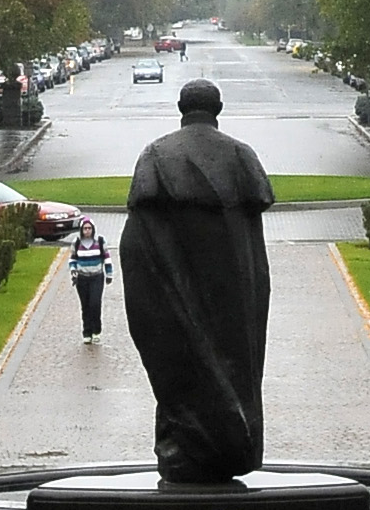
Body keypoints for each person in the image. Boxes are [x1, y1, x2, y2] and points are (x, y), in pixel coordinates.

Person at [119, 76, 274, 483]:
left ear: (181, 108)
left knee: (183, 366)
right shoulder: (241, 155)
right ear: (217, 108)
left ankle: (189, 446)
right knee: (236, 368)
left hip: (177, 283)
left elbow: (138, 238)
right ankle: (231, 441)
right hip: (235, 290)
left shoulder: (156, 155)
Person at [69, 215, 112, 342]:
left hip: (97, 277)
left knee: (95, 303)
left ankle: (96, 330)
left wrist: (109, 274)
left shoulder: (100, 241)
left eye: (89, 228)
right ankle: (86, 332)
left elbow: (107, 258)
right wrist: (73, 272)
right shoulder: (76, 243)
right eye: (85, 228)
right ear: (81, 230)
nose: (87, 231)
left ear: (93, 229)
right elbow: (72, 259)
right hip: (82, 278)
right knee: (85, 305)